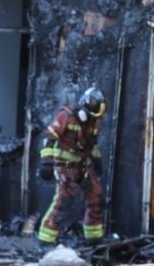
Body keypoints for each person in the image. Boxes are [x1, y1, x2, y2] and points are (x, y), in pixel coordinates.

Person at [37, 86, 106, 246]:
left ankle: (94, 238)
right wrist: (46, 162)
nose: (92, 120)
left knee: (97, 197)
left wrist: (97, 161)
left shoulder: (93, 121)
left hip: (84, 166)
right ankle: (46, 240)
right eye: (89, 116)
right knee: (63, 202)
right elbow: (49, 138)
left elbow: (92, 145)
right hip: (65, 166)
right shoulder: (66, 116)